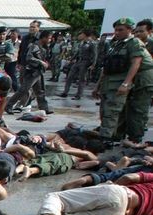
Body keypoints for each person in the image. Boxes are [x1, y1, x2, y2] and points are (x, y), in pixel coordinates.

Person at [94, 17, 153, 148]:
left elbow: (136, 63)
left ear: (129, 30)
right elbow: (108, 67)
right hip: (125, 79)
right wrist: (98, 85)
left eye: (121, 30)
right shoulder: (117, 44)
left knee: (136, 111)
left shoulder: (134, 43)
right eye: (115, 30)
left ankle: (134, 140)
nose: (117, 32)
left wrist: (126, 83)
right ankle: (116, 136)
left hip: (142, 80)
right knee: (121, 110)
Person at [5, 30, 53, 115]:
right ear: (44, 38)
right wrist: (40, 62)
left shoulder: (44, 47)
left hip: (38, 72)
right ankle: (8, 106)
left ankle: (44, 108)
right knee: (23, 90)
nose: (50, 40)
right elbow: (29, 57)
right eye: (48, 38)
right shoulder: (35, 46)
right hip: (32, 72)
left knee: (40, 91)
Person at [59, 29, 97, 100]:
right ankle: (65, 92)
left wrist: (93, 64)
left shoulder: (92, 43)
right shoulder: (81, 43)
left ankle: (79, 95)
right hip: (78, 61)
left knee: (81, 79)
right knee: (69, 76)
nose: (79, 36)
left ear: (85, 35)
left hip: (85, 62)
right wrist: (71, 59)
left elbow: (95, 55)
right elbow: (77, 52)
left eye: (81, 34)